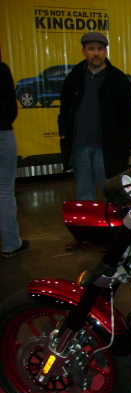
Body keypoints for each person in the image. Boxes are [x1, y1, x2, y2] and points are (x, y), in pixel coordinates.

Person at [58, 32, 131, 250]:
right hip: (80, 146)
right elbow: (64, 109)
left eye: (100, 49)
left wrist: (121, 146)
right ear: (84, 51)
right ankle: (84, 235)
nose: (96, 53)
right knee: (83, 194)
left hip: (107, 149)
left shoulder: (118, 79)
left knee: (110, 193)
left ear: (105, 51)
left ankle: (110, 236)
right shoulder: (75, 77)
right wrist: (64, 133)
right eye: (91, 49)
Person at [1, 47, 29, 258]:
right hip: (2, 133)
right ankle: (10, 244)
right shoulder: (1, 69)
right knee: (4, 192)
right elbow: (11, 107)